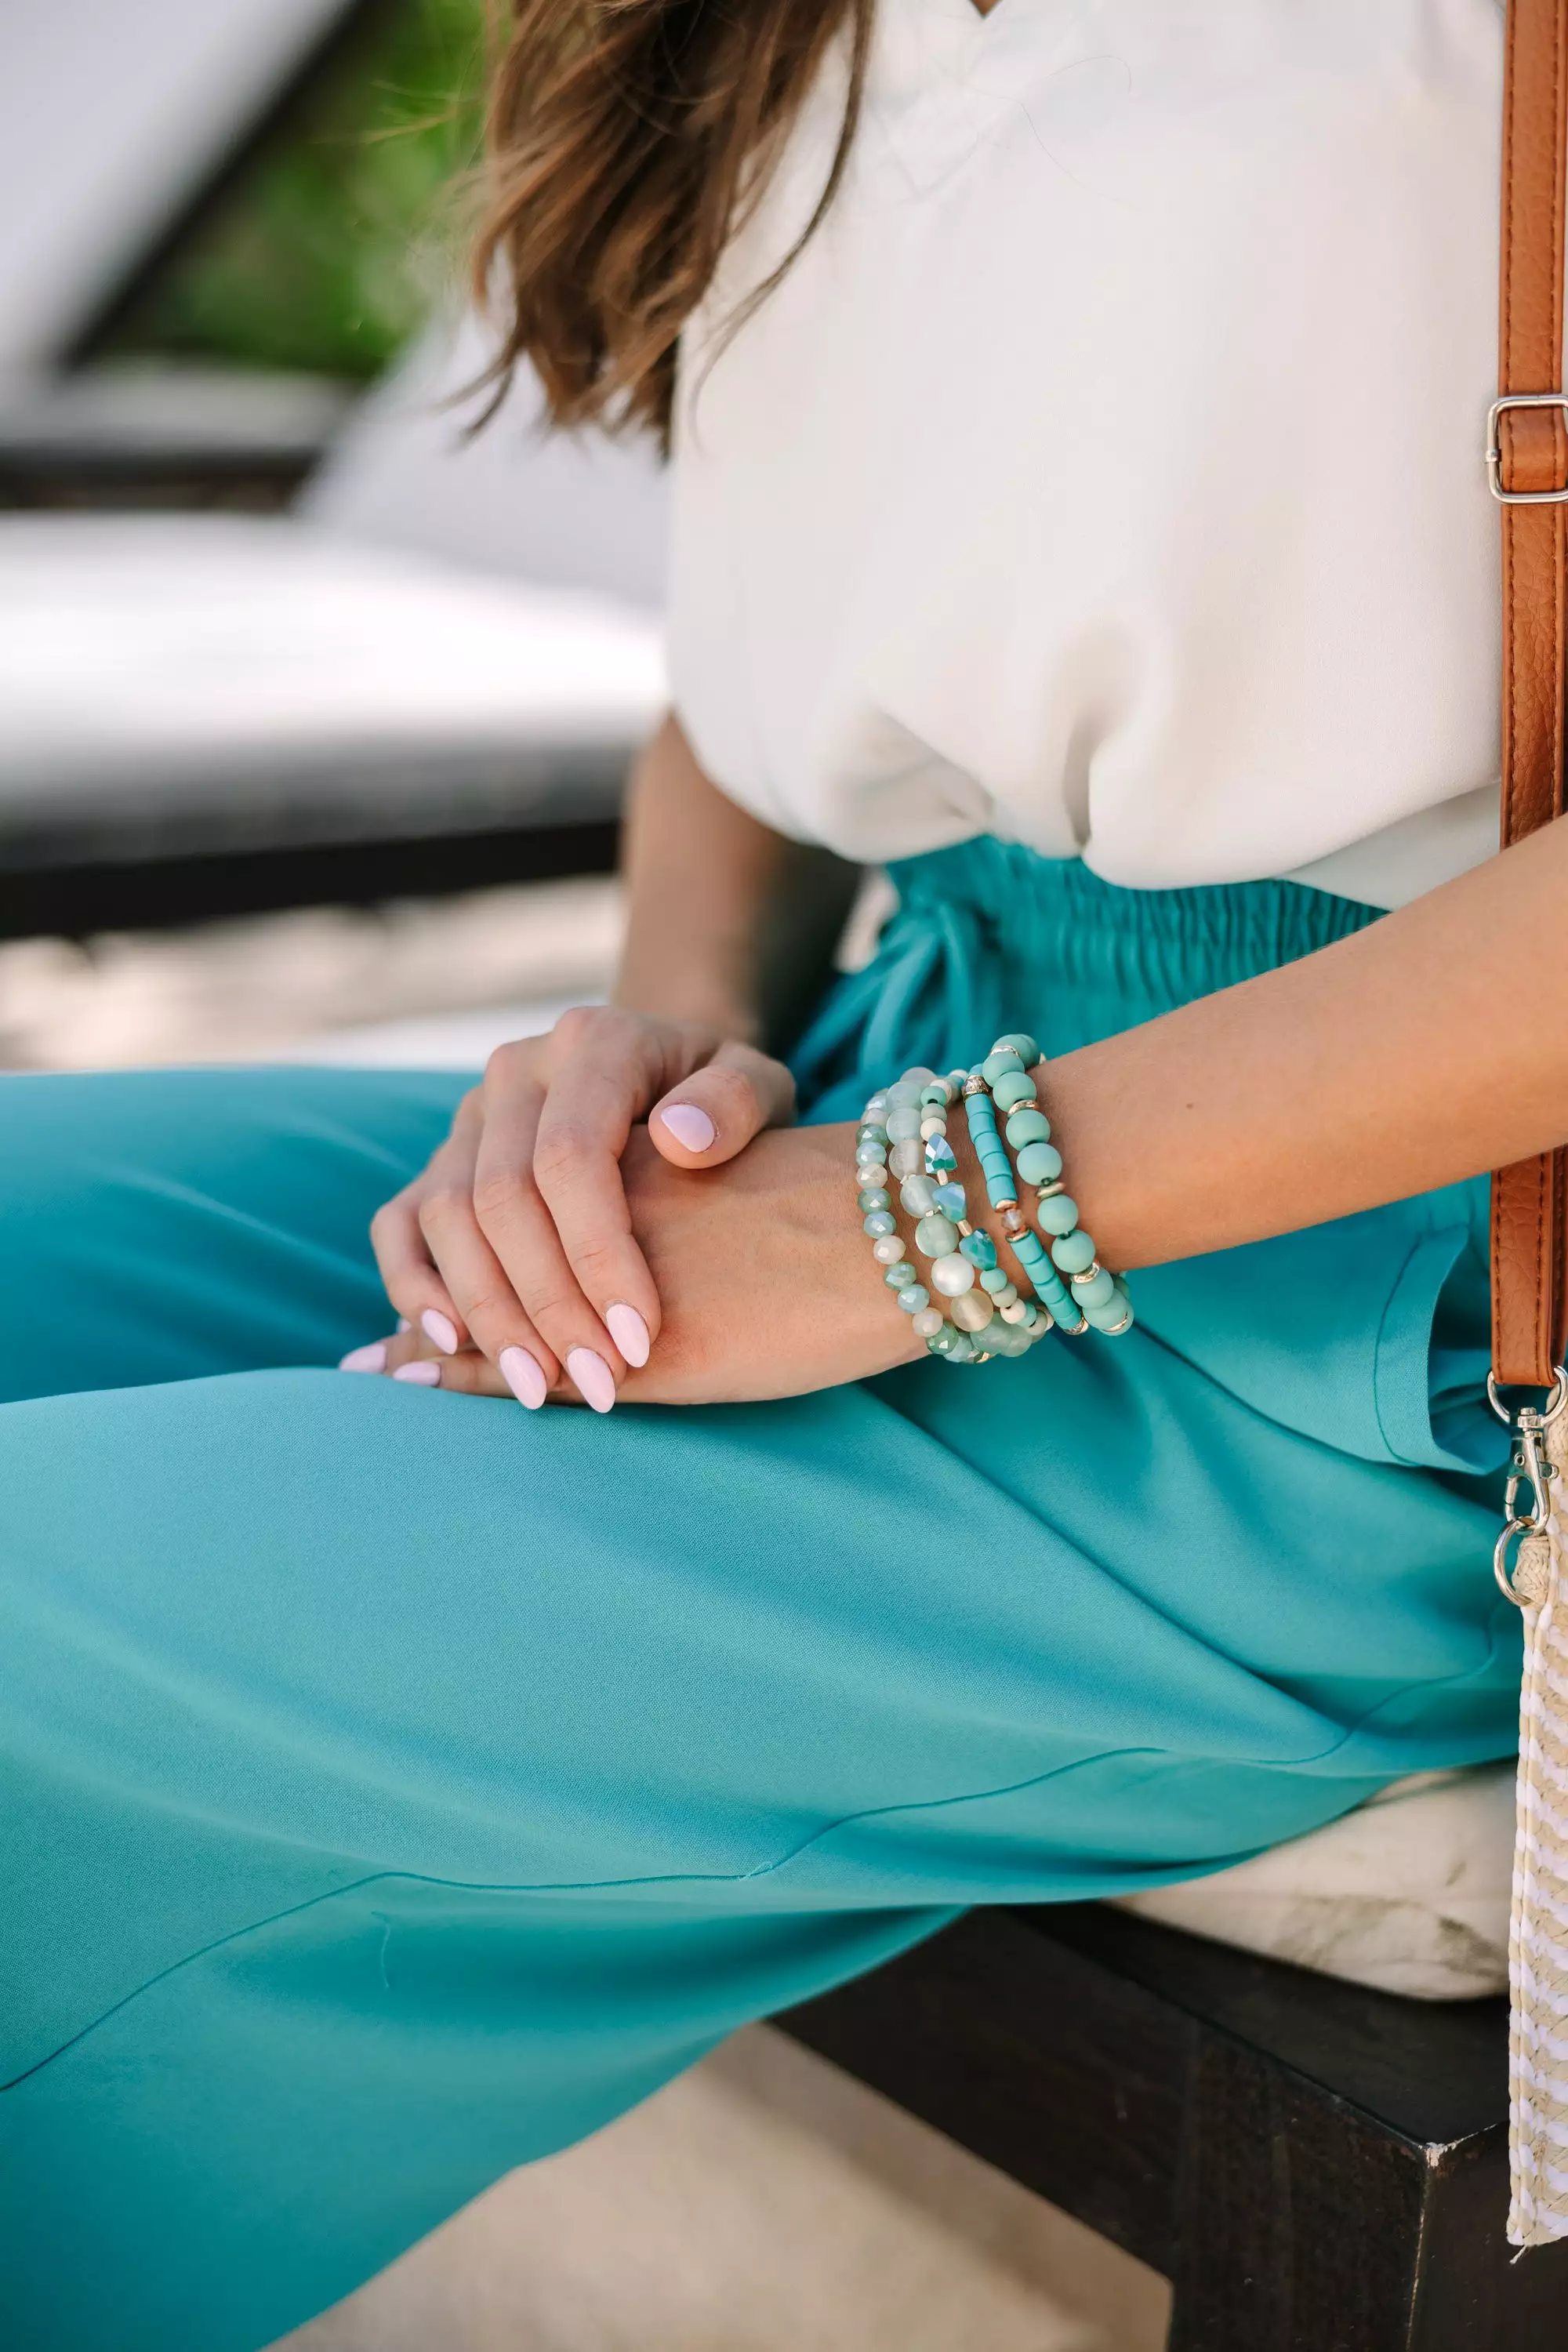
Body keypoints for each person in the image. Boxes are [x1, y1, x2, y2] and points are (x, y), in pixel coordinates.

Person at [1, 3, 1552, 2345]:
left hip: (1388, 1290)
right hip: (887, 1055)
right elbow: (763, 660)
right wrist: (672, 1041)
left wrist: (932, 1223)